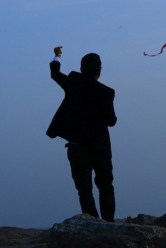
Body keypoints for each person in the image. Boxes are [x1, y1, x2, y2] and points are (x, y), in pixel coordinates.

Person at [47, 46, 118, 222]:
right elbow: (111, 120)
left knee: (84, 189)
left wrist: (57, 57)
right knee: (106, 186)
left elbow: (55, 74)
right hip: (100, 147)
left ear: (81, 68)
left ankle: (93, 223)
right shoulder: (107, 92)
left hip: (77, 146)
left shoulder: (73, 82)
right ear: (99, 71)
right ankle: (108, 223)